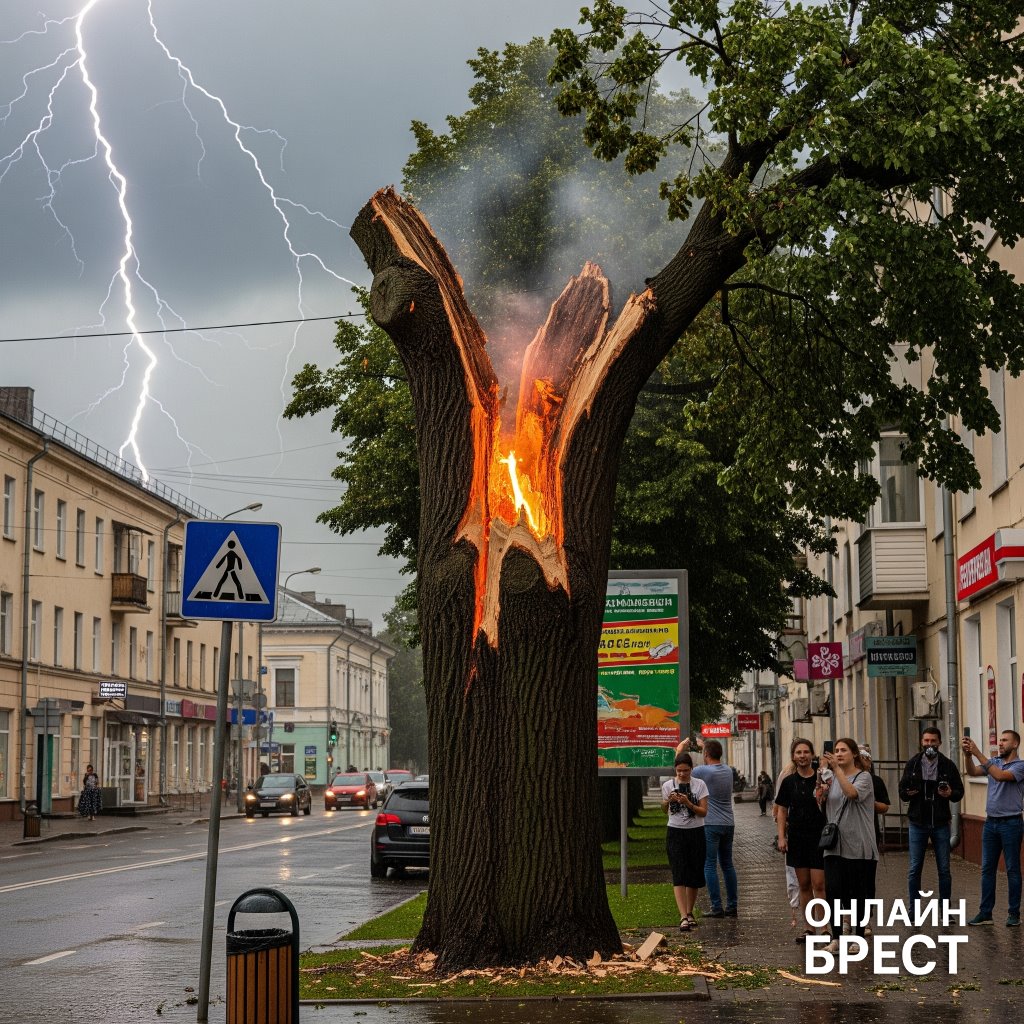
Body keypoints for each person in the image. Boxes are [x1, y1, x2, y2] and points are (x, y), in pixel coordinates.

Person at [818, 737, 878, 951]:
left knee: (857, 895)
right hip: (834, 845)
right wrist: (821, 792)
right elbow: (824, 809)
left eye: (844, 750)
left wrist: (836, 770)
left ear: (854, 754)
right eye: (836, 750)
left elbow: (852, 794)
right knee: (833, 892)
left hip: (859, 845)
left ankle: (858, 938)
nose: (839, 753)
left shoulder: (864, 778)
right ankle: (836, 938)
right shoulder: (832, 779)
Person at [961, 729, 1024, 927]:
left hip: (1011, 823)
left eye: (1005, 740)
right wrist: (967, 756)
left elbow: (1000, 777)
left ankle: (1014, 914)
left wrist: (978, 752)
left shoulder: (1020, 766)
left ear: (1015, 744)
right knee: (987, 869)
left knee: (1012, 869)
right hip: (991, 823)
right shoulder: (993, 762)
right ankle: (985, 913)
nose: (1001, 744)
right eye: (1000, 741)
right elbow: (972, 772)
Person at [898, 726, 964, 908]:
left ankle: (945, 909)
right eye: (926, 741)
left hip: (940, 823)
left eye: (933, 741)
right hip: (917, 822)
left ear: (939, 743)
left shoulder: (947, 764)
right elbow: (902, 792)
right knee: (914, 869)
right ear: (921, 742)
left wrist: (950, 793)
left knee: (944, 869)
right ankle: (913, 909)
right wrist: (910, 792)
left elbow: (959, 792)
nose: (930, 745)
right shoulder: (913, 764)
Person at [775, 738, 827, 942]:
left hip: (820, 837)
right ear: (793, 756)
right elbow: (782, 811)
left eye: (806, 752)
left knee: (819, 884)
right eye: (799, 753)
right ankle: (809, 928)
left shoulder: (822, 779)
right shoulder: (789, 782)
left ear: (812, 755)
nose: (803, 756)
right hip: (797, 838)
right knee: (804, 884)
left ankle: (824, 928)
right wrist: (782, 837)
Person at [679, 736, 738, 917]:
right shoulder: (727, 770)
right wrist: (705, 746)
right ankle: (732, 905)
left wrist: (681, 748)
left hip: (710, 823)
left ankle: (716, 906)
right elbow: (711, 754)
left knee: (709, 865)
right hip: (728, 823)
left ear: (705, 755)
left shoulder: (704, 771)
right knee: (727, 865)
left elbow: (682, 768)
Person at [661, 752, 709, 932]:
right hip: (675, 832)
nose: (682, 774)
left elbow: (704, 812)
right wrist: (669, 801)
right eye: (679, 771)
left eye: (686, 770)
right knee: (678, 873)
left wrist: (688, 803)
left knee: (694, 874)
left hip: (696, 832)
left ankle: (690, 912)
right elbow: (663, 809)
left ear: (691, 769)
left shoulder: (700, 785)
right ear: (675, 769)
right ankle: (683, 916)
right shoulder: (668, 785)